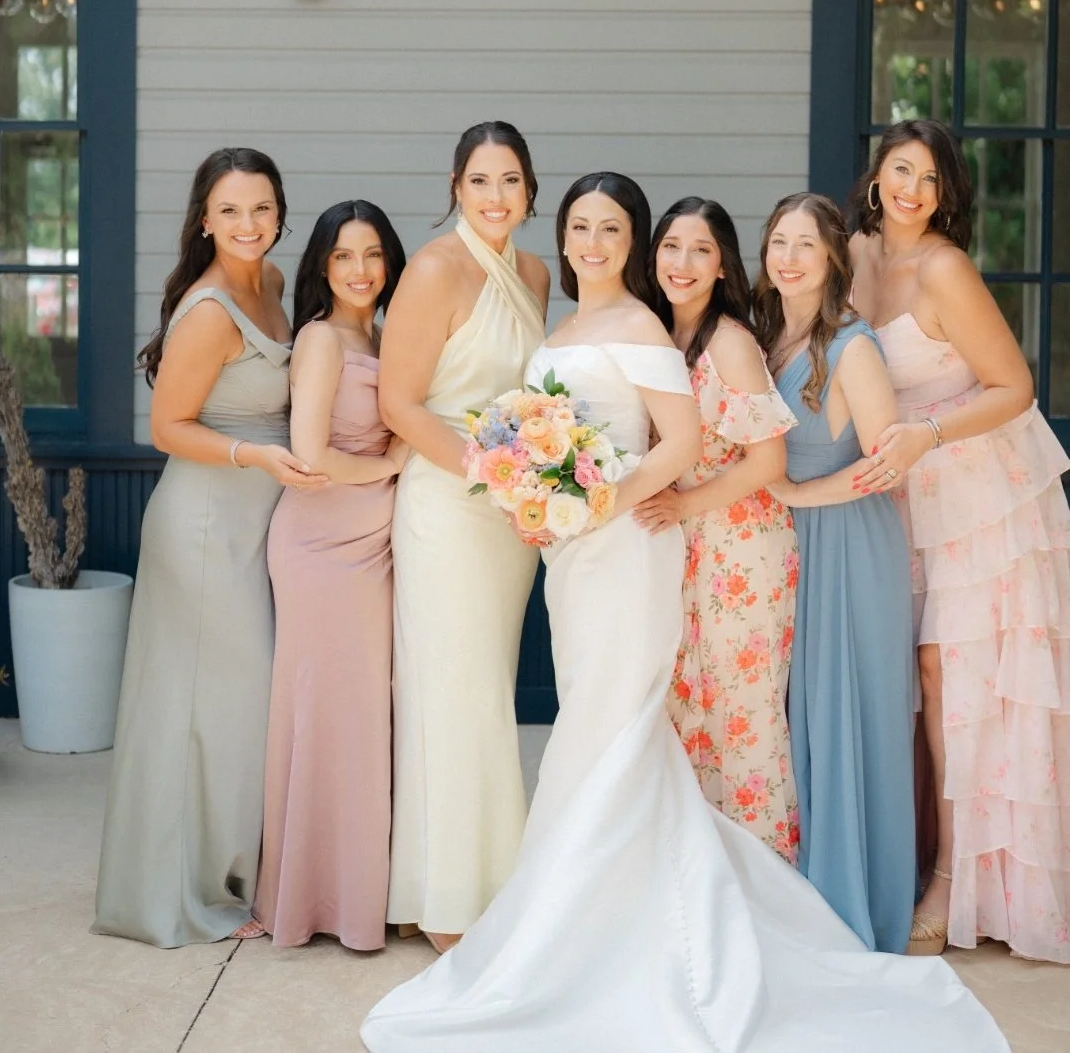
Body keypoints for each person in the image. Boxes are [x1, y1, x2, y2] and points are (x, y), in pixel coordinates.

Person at [360, 174, 1008, 1053]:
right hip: (579, 553)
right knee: (624, 724)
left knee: (617, 722)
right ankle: (582, 908)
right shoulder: (585, 329)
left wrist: (606, 499)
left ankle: (619, 921)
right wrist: (539, 490)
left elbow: (690, 446)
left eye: (616, 229)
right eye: (583, 227)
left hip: (635, 544)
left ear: (634, 242)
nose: (597, 243)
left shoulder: (654, 334)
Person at [849, 118, 1069, 963]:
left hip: (972, 488)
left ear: (948, 199)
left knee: (951, 677)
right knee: (895, 679)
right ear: (875, 177)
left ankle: (956, 877)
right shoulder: (858, 252)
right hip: (890, 491)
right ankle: (891, 858)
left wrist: (925, 436)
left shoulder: (944, 268)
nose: (914, 190)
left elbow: (1015, 385)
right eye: (903, 170)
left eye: (933, 181)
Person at [93, 148, 326, 948]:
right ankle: (178, 895)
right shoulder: (208, 311)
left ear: (280, 211)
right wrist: (256, 455)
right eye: (230, 211)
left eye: (262, 207)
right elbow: (167, 428)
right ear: (204, 219)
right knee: (203, 711)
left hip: (254, 528)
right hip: (200, 528)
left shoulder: (272, 284)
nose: (248, 224)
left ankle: (224, 873)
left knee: (238, 711)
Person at [378, 121, 549, 952]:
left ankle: (491, 881)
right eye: (480, 181)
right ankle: (442, 896)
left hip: (511, 517)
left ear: (530, 191)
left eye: (510, 181)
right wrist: (492, 475)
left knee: (491, 691)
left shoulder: (537, 273)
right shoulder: (434, 268)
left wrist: (532, 481)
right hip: (448, 501)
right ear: (455, 186)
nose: (495, 197)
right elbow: (400, 405)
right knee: (450, 693)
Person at [755, 192, 916, 954]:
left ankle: (854, 903)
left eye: (805, 247)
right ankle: (798, 893)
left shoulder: (853, 347)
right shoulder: (766, 338)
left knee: (844, 717)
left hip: (851, 545)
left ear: (831, 261)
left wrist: (797, 494)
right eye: (778, 243)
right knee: (796, 723)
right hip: (790, 548)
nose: (788, 258)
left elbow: (887, 464)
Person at [254, 201, 408, 950]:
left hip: (372, 537)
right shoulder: (320, 338)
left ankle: (358, 892)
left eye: (372, 255)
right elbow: (310, 452)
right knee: (323, 714)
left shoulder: (378, 336)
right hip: (320, 544)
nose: (359, 271)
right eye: (344, 256)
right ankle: (310, 900)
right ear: (322, 265)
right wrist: (387, 465)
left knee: (361, 717)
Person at [636, 197, 800, 862]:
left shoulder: (729, 343)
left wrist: (684, 504)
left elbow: (769, 460)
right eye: (671, 246)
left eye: (700, 249)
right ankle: (700, 873)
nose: (682, 262)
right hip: (687, 546)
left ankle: (764, 880)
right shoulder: (654, 334)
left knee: (744, 715)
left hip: (742, 545)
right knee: (691, 713)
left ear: (723, 266)